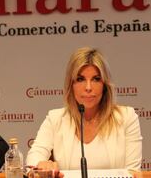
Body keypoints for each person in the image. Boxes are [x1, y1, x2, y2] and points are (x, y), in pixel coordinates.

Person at [26, 47, 142, 176]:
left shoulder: (127, 117)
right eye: (80, 79)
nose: (88, 87)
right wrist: (41, 166)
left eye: (96, 79)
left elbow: (133, 173)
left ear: (105, 84)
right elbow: (33, 158)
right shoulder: (55, 118)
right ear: (71, 85)